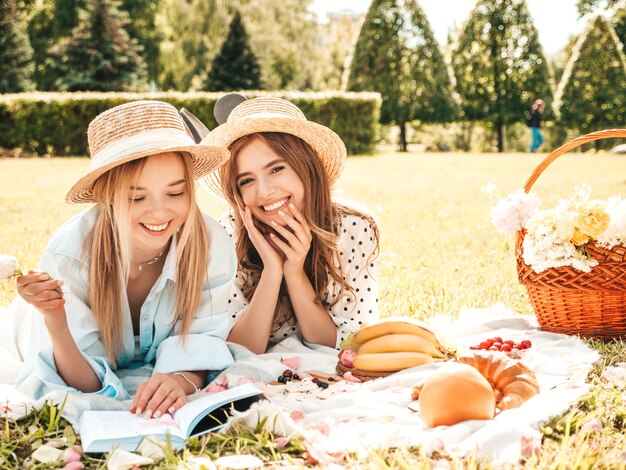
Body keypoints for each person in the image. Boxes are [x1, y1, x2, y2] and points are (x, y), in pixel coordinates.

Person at [14, 101, 236, 419]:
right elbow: (85, 384)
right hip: (35, 324)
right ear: (106, 196)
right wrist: (54, 320)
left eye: (176, 193)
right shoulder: (68, 257)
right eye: (136, 197)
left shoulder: (210, 243)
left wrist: (182, 378)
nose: (160, 213)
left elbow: (204, 337)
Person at [201, 96, 380, 355]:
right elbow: (239, 350)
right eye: (247, 181)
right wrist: (273, 270)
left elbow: (342, 345)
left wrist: (294, 271)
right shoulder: (226, 235)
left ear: (305, 166)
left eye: (276, 169)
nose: (264, 192)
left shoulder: (353, 230)